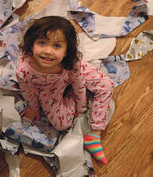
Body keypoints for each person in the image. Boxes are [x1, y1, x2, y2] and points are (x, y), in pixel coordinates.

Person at [16, 16, 114, 164]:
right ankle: (68, 98)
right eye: (42, 43)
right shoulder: (24, 70)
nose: (48, 51)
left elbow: (78, 81)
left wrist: (81, 107)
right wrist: (33, 107)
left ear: (67, 51)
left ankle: (95, 135)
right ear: (31, 45)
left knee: (106, 84)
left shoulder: (71, 62)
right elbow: (27, 90)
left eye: (56, 46)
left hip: (69, 75)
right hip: (48, 88)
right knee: (62, 124)